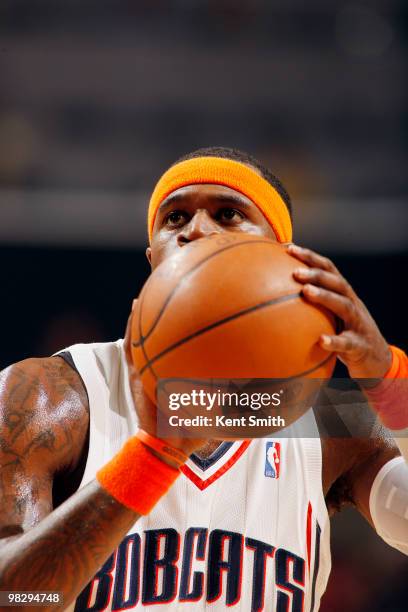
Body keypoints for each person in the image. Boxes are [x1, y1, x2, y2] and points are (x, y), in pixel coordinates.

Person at [0, 147, 407, 612]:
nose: (194, 229)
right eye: (174, 218)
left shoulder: (333, 420)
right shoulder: (54, 394)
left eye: (229, 213)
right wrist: (153, 458)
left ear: (283, 254)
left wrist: (390, 377)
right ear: (153, 256)